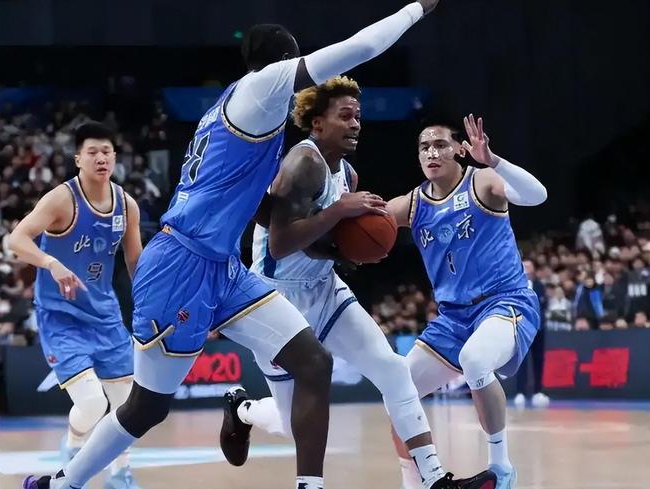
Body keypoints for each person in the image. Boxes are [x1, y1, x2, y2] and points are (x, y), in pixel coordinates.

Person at [23, 2, 444, 489]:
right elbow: (361, 47)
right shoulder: (261, 88)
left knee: (314, 362)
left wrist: (329, 238)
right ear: (282, 62)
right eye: (296, 62)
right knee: (147, 407)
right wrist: (416, 9)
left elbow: (254, 204)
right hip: (180, 263)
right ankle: (62, 484)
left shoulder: (243, 114)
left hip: (224, 267)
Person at [222, 77, 495, 489]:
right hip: (277, 299)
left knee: (393, 370)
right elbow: (280, 243)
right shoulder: (303, 163)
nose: (355, 124)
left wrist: (346, 252)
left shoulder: (346, 174)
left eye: (358, 117)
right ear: (317, 124)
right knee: (291, 423)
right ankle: (242, 410)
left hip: (324, 289)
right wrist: (338, 212)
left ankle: (435, 479)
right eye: (345, 116)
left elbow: (318, 244)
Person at [386, 115, 547, 489]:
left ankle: (501, 467)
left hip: (505, 302)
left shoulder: (483, 181)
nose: (432, 152)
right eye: (424, 147)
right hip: (453, 318)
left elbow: (537, 195)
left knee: (475, 359)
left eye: (440, 144)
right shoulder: (412, 204)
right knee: (397, 391)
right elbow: (359, 223)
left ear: (460, 149)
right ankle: (416, 481)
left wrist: (494, 160)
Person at [9, 121, 143, 489]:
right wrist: (51, 263)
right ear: (78, 159)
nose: (101, 158)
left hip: (106, 315)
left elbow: (136, 263)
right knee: (92, 404)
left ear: (114, 157)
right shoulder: (61, 199)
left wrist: (155, 304)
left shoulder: (126, 205)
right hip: (61, 316)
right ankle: (72, 445)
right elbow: (16, 239)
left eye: (106, 152)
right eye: (92, 152)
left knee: (127, 404)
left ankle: (120, 474)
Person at [514, 260, 550, 408]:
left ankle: (538, 391)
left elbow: (544, 304)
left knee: (538, 359)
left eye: (529, 266)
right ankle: (520, 392)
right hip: (522, 329)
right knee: (521, 361)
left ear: (534, 269)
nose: (527, 268)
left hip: (538, 329)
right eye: (524, 266)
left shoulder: (540, 286)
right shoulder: (515, 284)